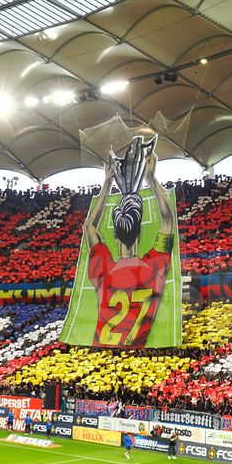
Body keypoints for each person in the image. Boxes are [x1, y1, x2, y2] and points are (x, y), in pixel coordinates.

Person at [83, 135, 176, 349]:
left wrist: (107, 182)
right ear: (140, 232)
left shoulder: (103, 269)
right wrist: (151, 178)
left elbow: (89, 227)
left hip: (102, 355)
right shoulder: (154, 268)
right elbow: (168, 220)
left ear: (115, 234)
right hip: (135, 357)